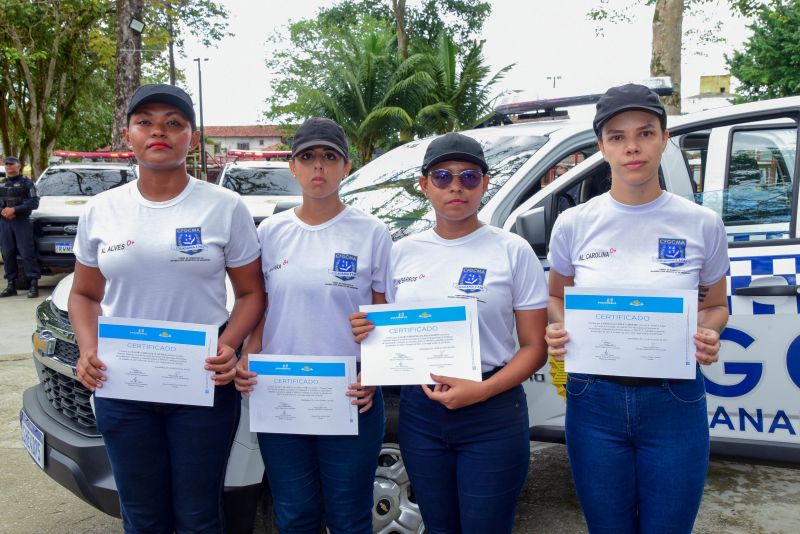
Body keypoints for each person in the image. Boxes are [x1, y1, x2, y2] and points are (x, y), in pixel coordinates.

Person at [69, 84, 265, 533]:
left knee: (199, 515)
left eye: (173, 123)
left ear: (191, 138)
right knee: (142, 515)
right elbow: (84, 295)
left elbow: (252, 294)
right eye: (146, 123)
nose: (160, 132)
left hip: (201, 386)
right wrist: (87, 349)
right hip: (123, 387)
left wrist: (229, 344)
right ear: (128, 135)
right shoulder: (102, 210)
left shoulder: (225, 207)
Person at [545, 83, 730, 533]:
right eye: (617, 136)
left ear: (665, 139)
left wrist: (709, 332)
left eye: (645, 133)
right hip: (593, 399)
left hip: (674, 399)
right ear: (601, 147)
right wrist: (560, 327)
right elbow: (555, 297)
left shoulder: (702, 223)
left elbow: (717, 304)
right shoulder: (574, 224)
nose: (632, 147)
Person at [350, 132, 549, 534]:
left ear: (485, 183)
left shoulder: (511, 251)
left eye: (469, 177)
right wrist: (367, 332)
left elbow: (534, 348)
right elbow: (391, 332)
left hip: (491, 410)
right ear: (424, 185)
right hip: (421, 412)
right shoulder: (401, 252)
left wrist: (483, 391)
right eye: (442, 176)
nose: (456, 186)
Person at [234, 117, 392, 534]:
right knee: (295, 514)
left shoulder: (372, 233)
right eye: (307, 157)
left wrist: (373, 374)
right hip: (282, 394)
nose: (318, 167)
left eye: (329, 157)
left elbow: (386, 317)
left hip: (349, 395)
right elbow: (260, 307)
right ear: (293, 167)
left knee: (348, 515)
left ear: (346, 166)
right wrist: (248, 357)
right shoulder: (270, 232)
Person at [0, 155, 40, 298]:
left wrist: (15, 210)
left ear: (18, 166)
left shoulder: (27, 184)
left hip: (21, 222)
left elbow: (34, 203)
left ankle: (33, 284)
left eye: (12, 164)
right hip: (5, 223)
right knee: (8, 253)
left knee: (26, 253)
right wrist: (4, 212)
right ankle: (11, 285)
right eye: (7, 164)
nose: (9, 166)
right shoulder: (2, 184)